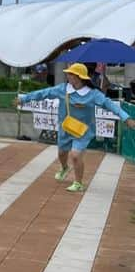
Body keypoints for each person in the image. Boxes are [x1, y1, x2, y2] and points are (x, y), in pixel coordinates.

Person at [15, 63, 134, 192]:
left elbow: (109, 104)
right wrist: (24, 99)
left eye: (71, 73)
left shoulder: (93, 94)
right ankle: (65, 167)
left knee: (76, 155)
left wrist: (126, 118)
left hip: (83, 131)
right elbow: (44, 93)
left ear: (79, 77)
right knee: (62, 153)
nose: (68, 75)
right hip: (65, 127)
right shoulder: (63, 89)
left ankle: (78, 183)